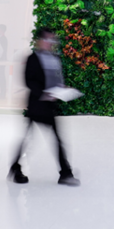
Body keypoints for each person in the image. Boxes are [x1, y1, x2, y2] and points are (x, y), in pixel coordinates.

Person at [9, 28, 79, 186]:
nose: (50, 43)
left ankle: (64, 173)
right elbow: (29, 81)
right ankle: (65, 173)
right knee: (30, 139)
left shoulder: (55, 58)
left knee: (53, 139)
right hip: (37, 105)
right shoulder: (32, 59)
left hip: (49, 106)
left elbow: (56, 79)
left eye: (52, 40)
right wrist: (43, 93)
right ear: (39, 41)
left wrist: (62, 88)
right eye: (48, 40)